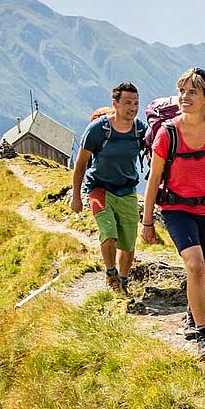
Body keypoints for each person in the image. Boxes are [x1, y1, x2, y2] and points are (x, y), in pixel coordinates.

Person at [139, 68, 205, 359]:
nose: (184, 97)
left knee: (204, 266)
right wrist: (147, 222)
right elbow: (153, 178)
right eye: (182, 91)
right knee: (195, 265)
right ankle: (203, 334)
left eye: (192, 92)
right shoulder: (167, 133)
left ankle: (191, 308)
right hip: (176, 208)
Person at [70, 82, 146, 294]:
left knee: (128, 244)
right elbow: (81, 163)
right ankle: (111, 275)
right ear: (115, 103)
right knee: (109, 232)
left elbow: (156, 151)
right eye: (128, 103)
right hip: (99, 188)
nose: (133, 107)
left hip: (127, 190)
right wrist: (76, 196)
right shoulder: (98, 129)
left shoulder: (140, 129)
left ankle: (123, 280)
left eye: (136, 103)